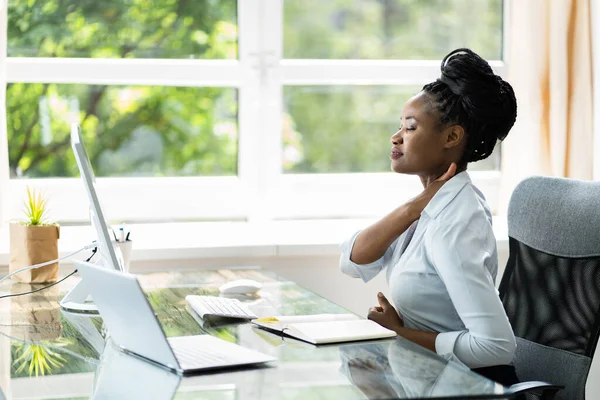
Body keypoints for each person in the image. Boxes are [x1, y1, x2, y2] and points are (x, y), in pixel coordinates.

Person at [339, 48, 519, 386]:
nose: (396, 137)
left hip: (465, 387)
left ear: (452, 137)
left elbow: (495, 347)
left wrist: (400, 333)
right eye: (399, 126)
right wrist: (413, 207)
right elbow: (353, 261)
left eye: (410, 127)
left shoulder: (457, 222)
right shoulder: (428, 206)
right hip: (427, 379)